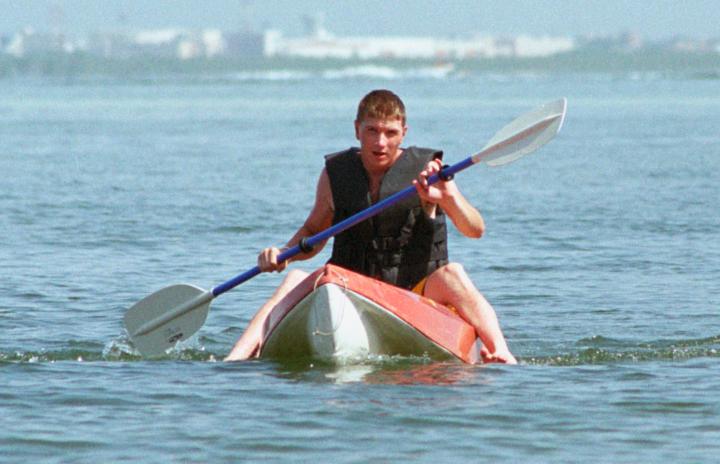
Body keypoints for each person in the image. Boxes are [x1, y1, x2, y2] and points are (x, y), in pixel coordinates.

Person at [225, 89, 517, 364]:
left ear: (404, 132)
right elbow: (313, 233)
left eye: (390, 133)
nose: (381, 142)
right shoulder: (335, 174)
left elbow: (475, 229)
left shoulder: (430, 174)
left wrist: (449, 197)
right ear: (357, 130)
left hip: (416, 291)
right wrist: (282, 254)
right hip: (349, 287)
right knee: (293, 278)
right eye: (372, 131)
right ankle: (236, 358)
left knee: (453, 273)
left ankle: (500, 352)